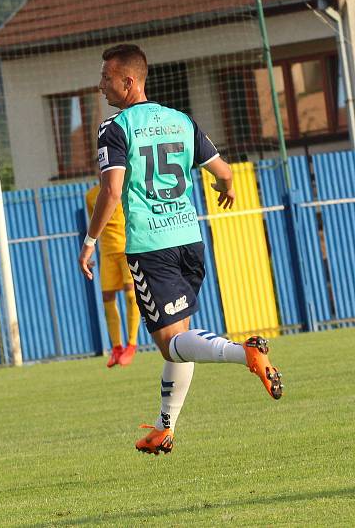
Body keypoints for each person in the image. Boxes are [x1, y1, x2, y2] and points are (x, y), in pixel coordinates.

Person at [78, 44, 283, 455]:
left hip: (151, 247)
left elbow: (112, 189)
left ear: (128, 82)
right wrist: (225, 188)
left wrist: (89, 241)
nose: (100, 86)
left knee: (172, 343)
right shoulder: (180, 120)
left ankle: (244, 352)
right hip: (190, 242)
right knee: (182, 338)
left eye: (106, 78)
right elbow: (224, 173)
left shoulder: (114, 128)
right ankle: (164, 428)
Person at [85, 183, 140, 367]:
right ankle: (117, 348)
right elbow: (94, 226)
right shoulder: (91, 196)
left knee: (131, 294)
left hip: (127, 250)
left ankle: (131, 344)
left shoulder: (124, 189)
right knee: (107, 297)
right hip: (107, 253)